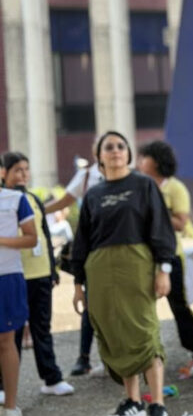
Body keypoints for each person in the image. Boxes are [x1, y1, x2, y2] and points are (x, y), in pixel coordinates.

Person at [71, 130, 177, 416]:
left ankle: (157, 405)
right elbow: (82, 241)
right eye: (109, 147)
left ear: (128, 154)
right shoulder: (93, 195)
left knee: (144, 329)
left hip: (137, 264)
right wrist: (78, 284)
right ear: (99, 157)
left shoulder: (144, 185)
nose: (116, 150)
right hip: (99, 270)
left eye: (121, 146)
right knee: (114, 332)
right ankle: (132, 401)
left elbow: (161, 228)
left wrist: (164, 269)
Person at [136, 140, 193, 376]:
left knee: (179, 306)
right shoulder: (139, 185)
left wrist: (155, 212)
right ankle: (138, 357)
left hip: (170, 255)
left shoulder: (175, 188)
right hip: (141, 257)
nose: (140, 162)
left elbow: (181, 223)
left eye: (145, 157)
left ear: (157, 162)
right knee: (139, 309)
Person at [1, 152, 73, 398]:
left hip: (40, 273)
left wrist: (52, 269)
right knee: (11, 333)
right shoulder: (7, 200)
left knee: (42, 327)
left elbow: (43, 234)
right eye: (17, 170)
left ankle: (52, 378)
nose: (23, 174)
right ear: (5, 173)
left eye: (26, 169)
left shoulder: (32, 199)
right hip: (16, 274)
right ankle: (5, 386)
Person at [45, 151, 103, 377]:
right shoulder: (87, 176)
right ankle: (84, 357)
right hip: (93, 245)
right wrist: (37, 210)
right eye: (107, 147)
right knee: (90, 300)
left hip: (121, 246)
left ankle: (122, 358)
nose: (113, 153)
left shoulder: (131, 178)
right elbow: (64, 201)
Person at [0, 171, 37, 416]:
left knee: (5, 341)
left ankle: (11, 408)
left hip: (7, 277)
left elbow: (32, 238)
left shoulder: (15, 199)